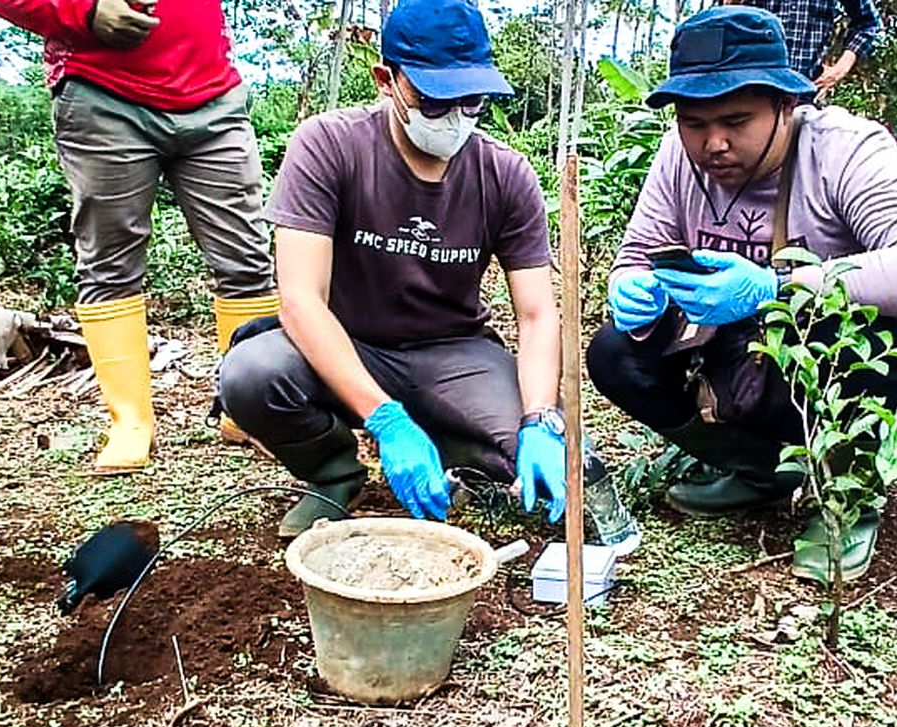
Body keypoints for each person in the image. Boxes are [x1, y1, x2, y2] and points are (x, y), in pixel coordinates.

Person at [218, 0, 639, 549]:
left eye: (472, 100)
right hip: (347, 343)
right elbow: (301, 300)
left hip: (453, 352)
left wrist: (541, 420)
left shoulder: (504, 175)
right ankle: (333, 472)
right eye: (434, 100)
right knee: (252, 374)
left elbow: (537, 315)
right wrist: (385, 421)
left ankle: (452, 442)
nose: (455, 117)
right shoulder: (329, 146)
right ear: (387, 80)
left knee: (540, 460)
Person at [586, 6, 897, 582]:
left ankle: (847, 495)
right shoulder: (678, 156)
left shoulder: (845, 150)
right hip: (739, 346)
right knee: (615, 353)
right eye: (695, 123)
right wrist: (630, 285)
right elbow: (639, 252)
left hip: (850, 355)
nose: (713, 143)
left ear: (787, 105)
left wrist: (778, 286)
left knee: (887, 338)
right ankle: (763, 471)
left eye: (736, 120)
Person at [0, 0, 279, 474]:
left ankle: (248, 410)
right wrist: (85, 11)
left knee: (246, 261)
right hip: (103, 93)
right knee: (109, 265)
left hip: (212, 91)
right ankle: (131, 422)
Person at [722, 0, 882, 91]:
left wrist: (841, 67)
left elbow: (868, 23)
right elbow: (727, 23)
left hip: (804, 90)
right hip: (753, 90)